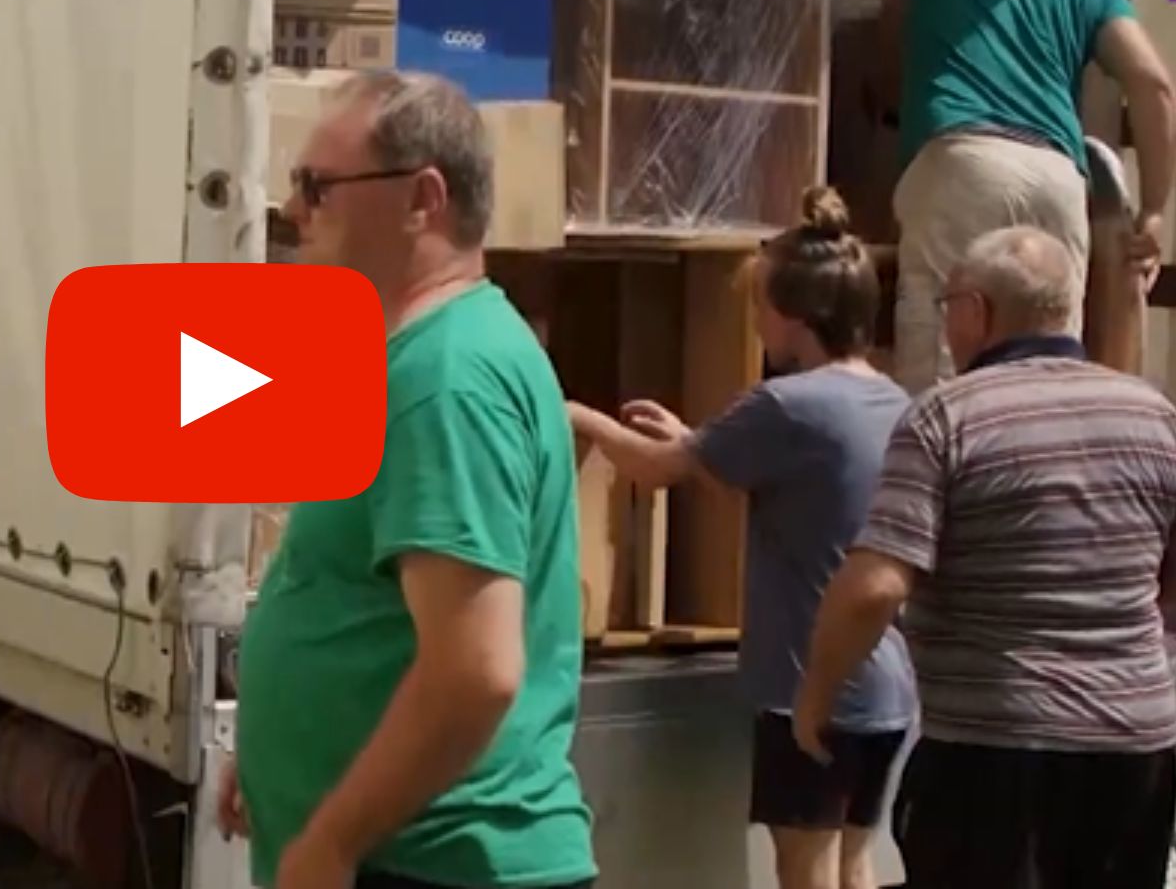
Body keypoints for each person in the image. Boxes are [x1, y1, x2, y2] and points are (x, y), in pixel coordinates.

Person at [219, 69, 597, 889]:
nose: (294, 210)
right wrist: (275, 762)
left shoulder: (446, 379)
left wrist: (332, 838)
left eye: (318, 187)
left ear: (422, 199)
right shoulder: (419, 361)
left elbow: (475, 672)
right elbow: (366, 607)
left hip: (434, 865)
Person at [795, 225, 1176, 889]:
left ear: (976, 311)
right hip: (1135, 752)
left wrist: (816, 696)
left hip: (995, 748)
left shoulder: (947, 417)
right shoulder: (1153, 415)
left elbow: (875, 588)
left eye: (948, 307)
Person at [566, 187, 917, 889]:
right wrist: (697, 441)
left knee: (804, 870)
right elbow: (789, 485)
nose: (754, 322)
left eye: (759, 305)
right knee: (855, 864)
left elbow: (655, 470)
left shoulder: (786, 403)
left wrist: (574, 412)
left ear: (795, 318)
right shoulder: (894, 400)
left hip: (810, 689)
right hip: (886, 689)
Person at [879, 0, 1175, 394]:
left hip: (963, 162)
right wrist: (1156, 211)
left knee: (939, 374)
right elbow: (1154, 84)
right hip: (1058, 176)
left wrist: (894, 107)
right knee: (1050, 370)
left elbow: (892, 24)